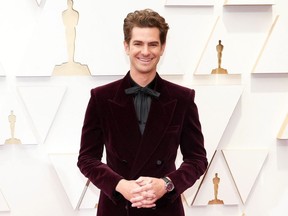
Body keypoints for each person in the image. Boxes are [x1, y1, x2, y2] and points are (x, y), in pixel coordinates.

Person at [77, 8, 208, 216]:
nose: (145, 52)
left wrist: (167, 183)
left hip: (165, 209)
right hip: (117, 208)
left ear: (162, 47)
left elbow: (197, 159)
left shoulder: (182, 98)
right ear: (126, 46)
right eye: (138, 43)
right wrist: (120, 185)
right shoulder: (101, 98)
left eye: (153, 44)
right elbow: (87, 159)